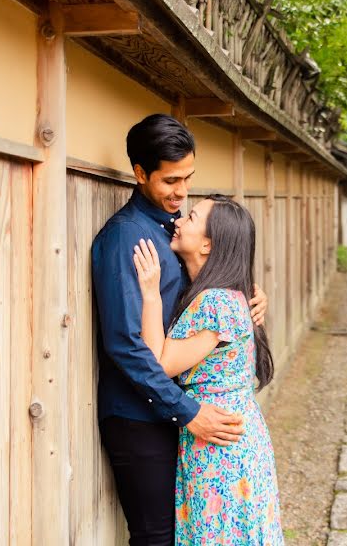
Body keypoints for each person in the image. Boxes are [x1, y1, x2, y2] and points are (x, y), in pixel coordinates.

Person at [91, 114, 268, 546]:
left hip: (174, 408)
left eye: (188, 178)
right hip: (139, 415)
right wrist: (187, 412)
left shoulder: (175, 231)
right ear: (139, 173)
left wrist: (247, 298)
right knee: (157, 537)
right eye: (170, 181)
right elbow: (125, 344)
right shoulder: (125, 238)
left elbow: (206, 287)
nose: (181, 192)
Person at [132, 194, 283, 545]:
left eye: (192, 217)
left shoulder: (216, 301)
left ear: (207, 244)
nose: (180, 219)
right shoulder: (223, 295)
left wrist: (151, 294)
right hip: (229, 439)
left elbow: (160, 364)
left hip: (220, 447)